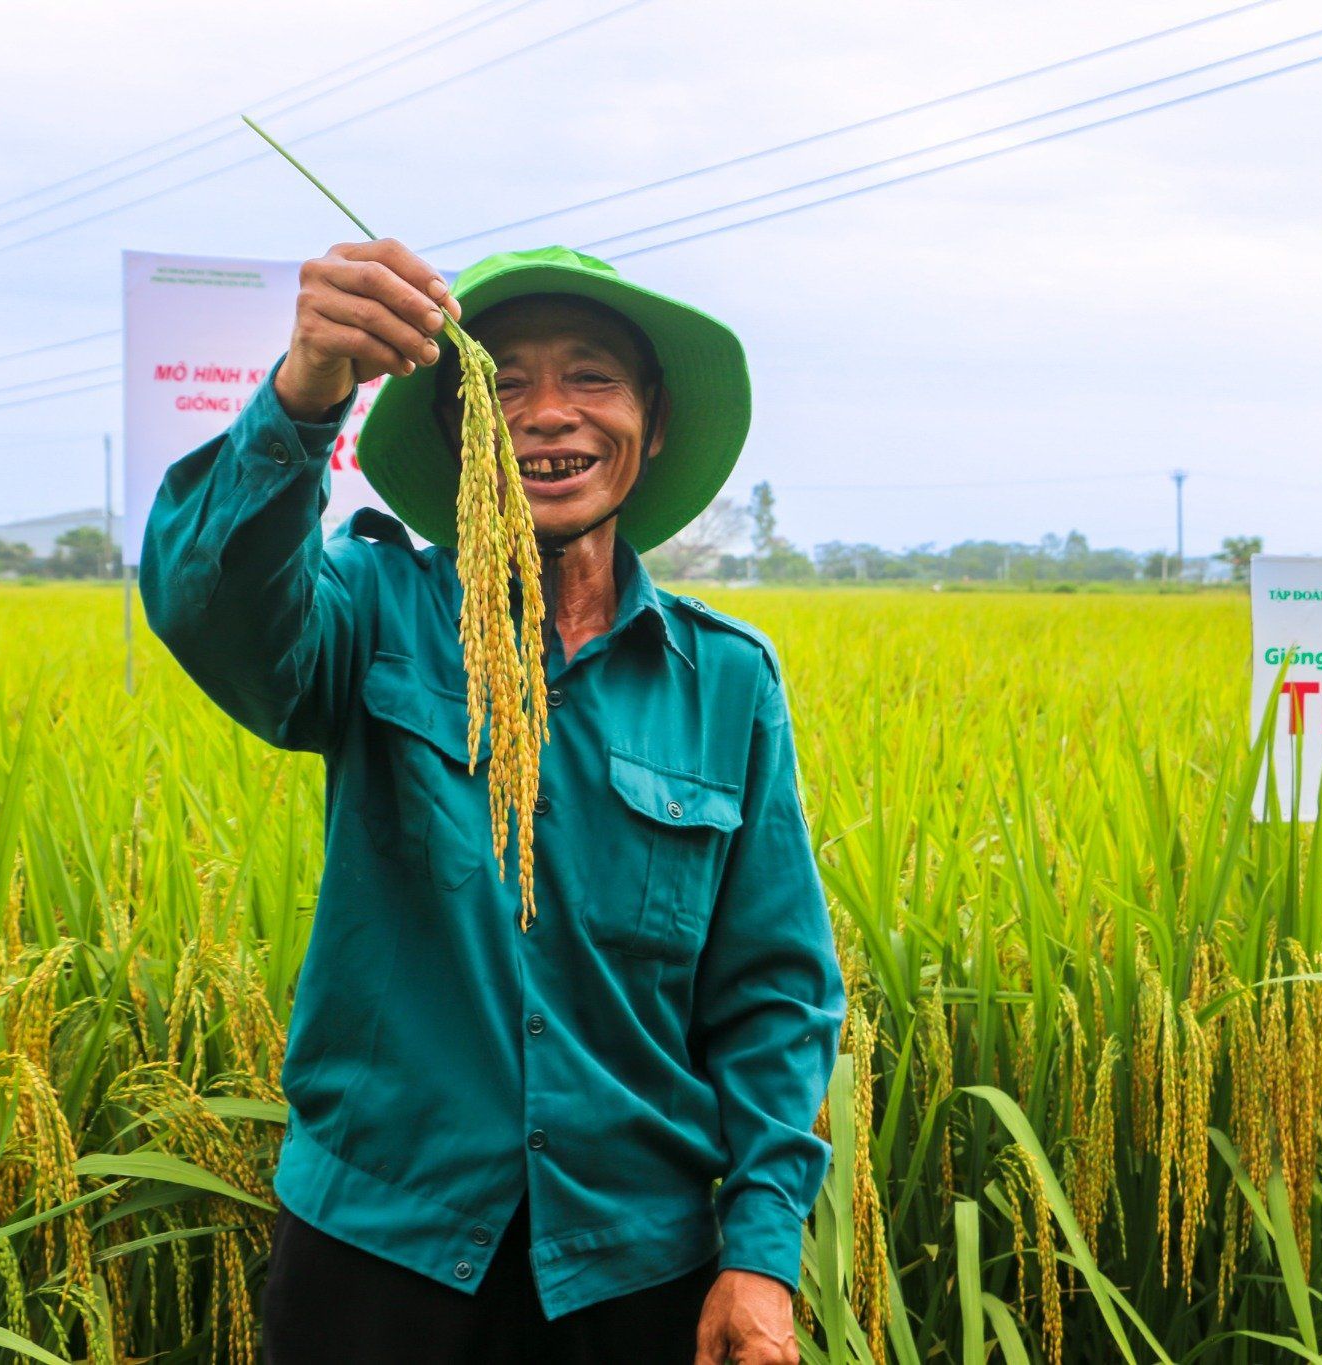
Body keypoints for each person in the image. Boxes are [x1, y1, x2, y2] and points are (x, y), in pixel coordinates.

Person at [139, 239, 847, 1364]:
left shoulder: (725, 682)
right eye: (500, 383)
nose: (548, 414)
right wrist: (308, 387)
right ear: (457, 434)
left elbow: (773, 989)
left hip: (635, 1268)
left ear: (652, 421)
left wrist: (760, 1250)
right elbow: (209, 605)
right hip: (382, 1252)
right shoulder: (372, 610)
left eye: (591, 378)